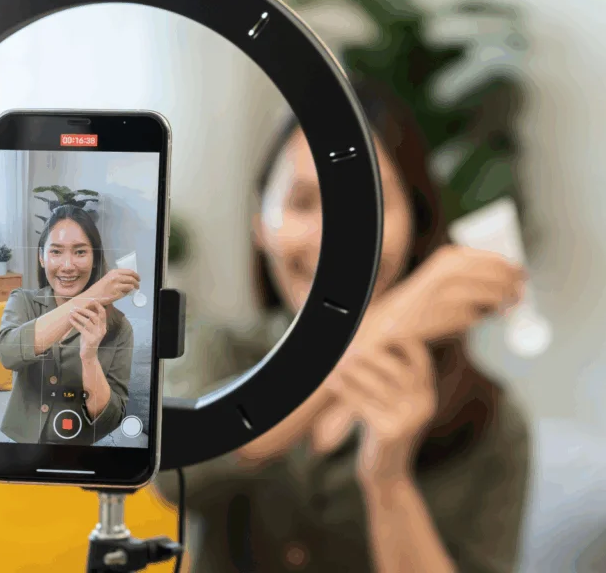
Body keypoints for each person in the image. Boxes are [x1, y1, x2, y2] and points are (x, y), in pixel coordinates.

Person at [156, 78, 532, 572]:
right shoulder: (215, 351)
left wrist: (388, 481)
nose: (335, 237)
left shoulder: (488, 420)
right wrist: (383, 328)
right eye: (303, 202)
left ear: (416, 224)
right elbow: (177, 471)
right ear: (260, 223)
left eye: (368, 203)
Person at [0, 204, 141, 445]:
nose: (67, 266)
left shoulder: (119, 328)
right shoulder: (23, 301)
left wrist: (89, 358)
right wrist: (92, 295)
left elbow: (110, 419)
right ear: (41, 257)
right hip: (21, 447)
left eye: (80, 252)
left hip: (80, 450)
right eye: (56, 251)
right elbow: (8, 353)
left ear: (95, 259)